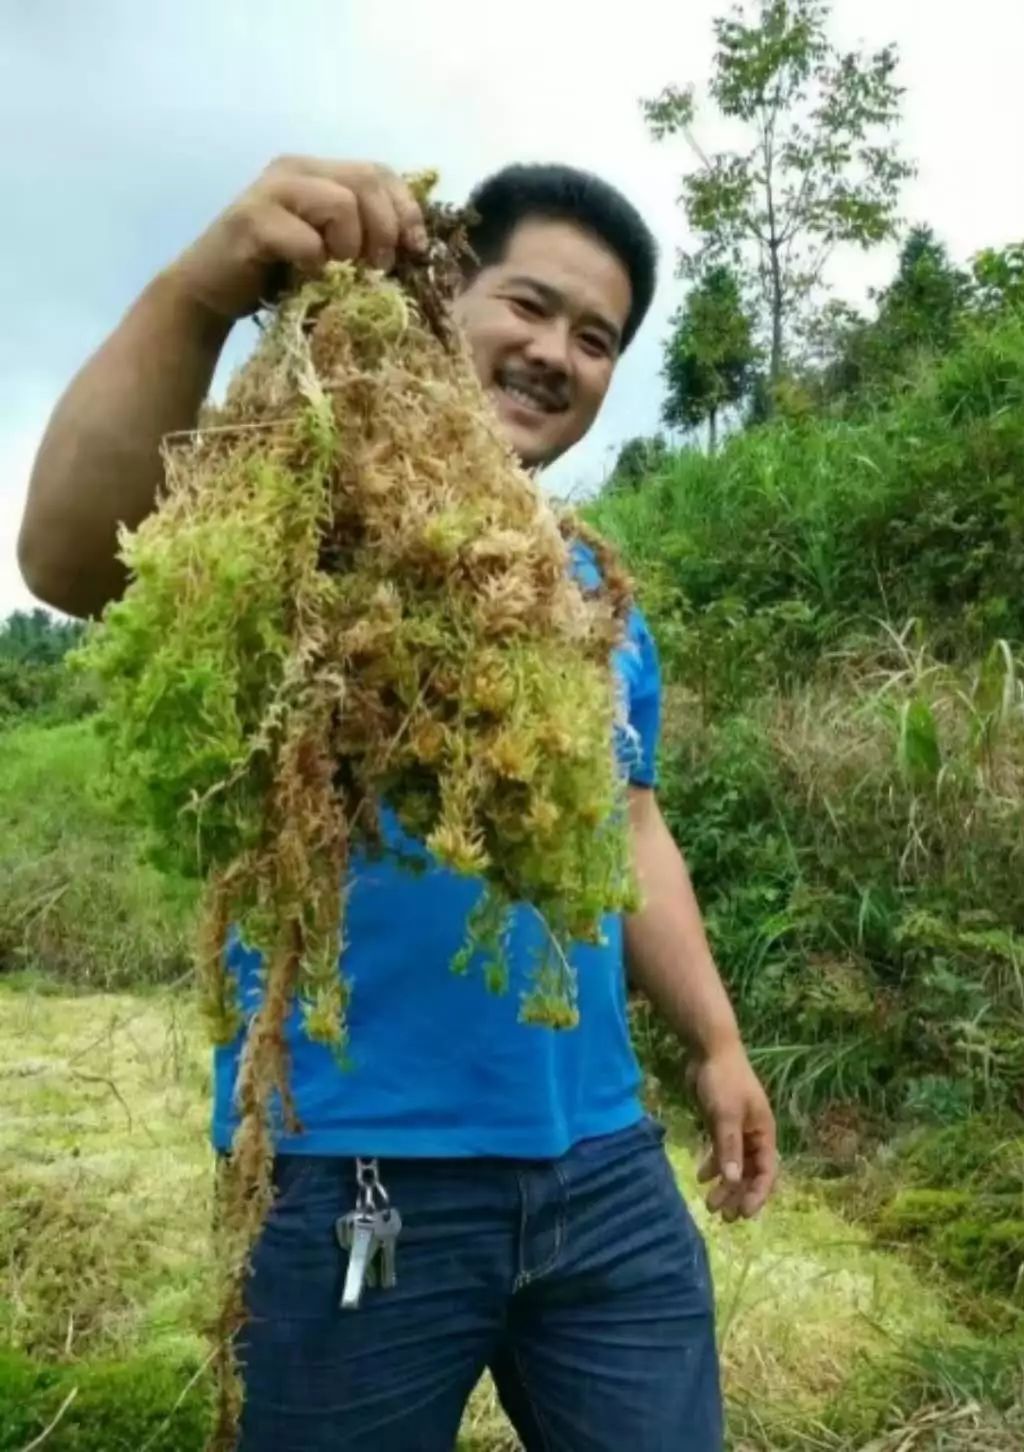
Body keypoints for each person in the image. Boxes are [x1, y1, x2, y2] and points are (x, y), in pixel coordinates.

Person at [18, 156, 777, 1451]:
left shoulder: (589, 589)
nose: (557, 353)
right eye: (529, 307)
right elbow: (71, 556)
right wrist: (202, 291)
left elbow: (629, 826)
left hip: (602, 1168)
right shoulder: (304, 516)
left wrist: (715, 1045)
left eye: (595, 339)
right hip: (354, 1177)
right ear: (442, 299)